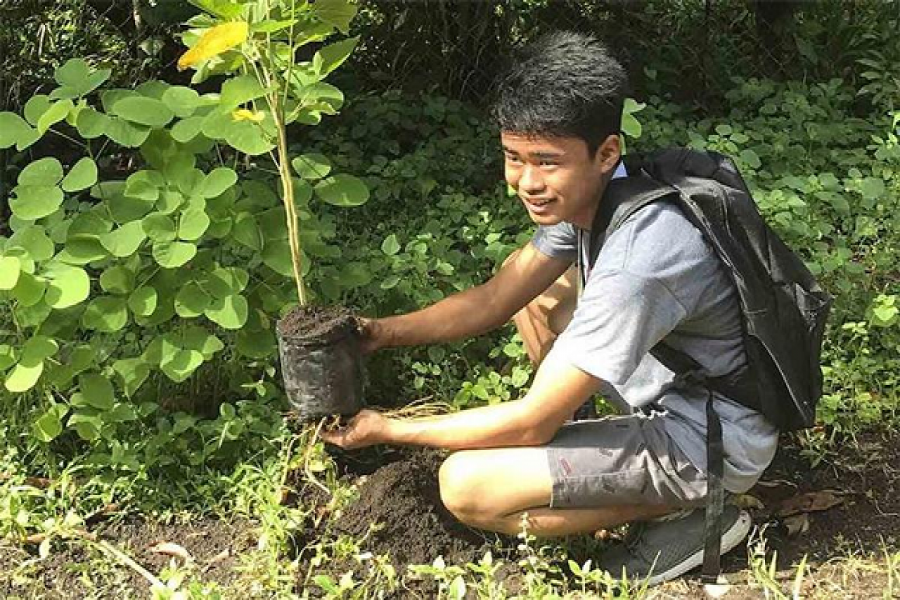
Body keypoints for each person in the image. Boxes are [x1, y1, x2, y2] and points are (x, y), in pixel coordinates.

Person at [322, 31, 778, 585]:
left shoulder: (643, 257)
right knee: (538, 293)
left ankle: (697, 512)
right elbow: (496, 298)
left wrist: (389, 429)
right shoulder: (602, 192)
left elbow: (533, 421)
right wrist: (380, 333)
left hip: (710, 441)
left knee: (468, 486)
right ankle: (595, 450)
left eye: (546, 162)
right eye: (513, 157)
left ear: (606, 152)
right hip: (679, 389)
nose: (526, 182)